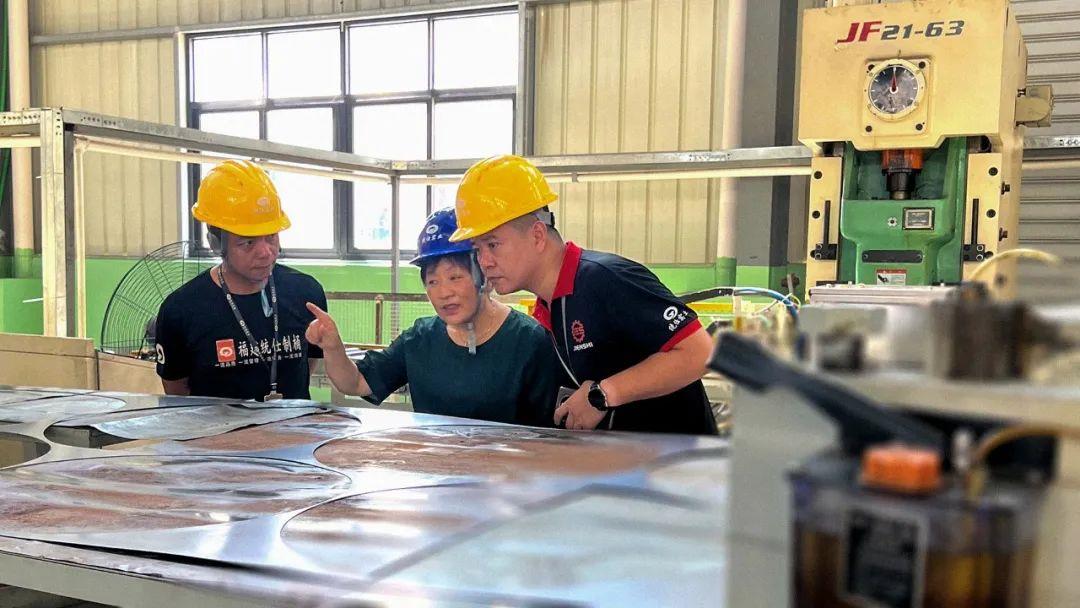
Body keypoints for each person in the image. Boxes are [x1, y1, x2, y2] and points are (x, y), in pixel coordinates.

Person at [449, 155, 717, 435]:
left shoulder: (605, 279)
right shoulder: (552, 305)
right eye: (478, 249)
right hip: (629, 457)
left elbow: (701, 353)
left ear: (538, 235)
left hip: (678, 458)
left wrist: (602, 394)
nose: (484, 261)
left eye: (493, 244)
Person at [305, 208, 561, 426]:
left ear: (483, 276)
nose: (443, 292)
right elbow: (356, 382)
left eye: (455, 277)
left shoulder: (530, 341)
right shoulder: (419, 339)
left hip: (509, 468)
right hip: (436, 468)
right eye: (432, 281)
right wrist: (333, 347)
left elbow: (548, 433)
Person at [155, 160, 327, 401]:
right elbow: (177, 392)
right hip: (215, 426)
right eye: (248, 242)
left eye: (271, 237)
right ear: (216, 243)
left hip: (296, 425)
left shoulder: (306, 294)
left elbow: (307, 365)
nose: (265, 252)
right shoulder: (181, 311)